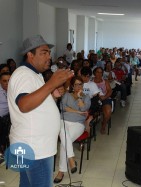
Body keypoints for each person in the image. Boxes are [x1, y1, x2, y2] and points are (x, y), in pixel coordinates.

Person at [7, 35, 74, 187]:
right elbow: (24, 104)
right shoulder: (24, 74)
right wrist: (51, 84)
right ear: (30, 55)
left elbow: (34, 100)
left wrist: (52, 95)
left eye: (49, 53)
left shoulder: (34, 75)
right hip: (36, 149)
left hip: (32, 145)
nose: (49, 56)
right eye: (44, 53)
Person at [54, 76, 91, 183]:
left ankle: (62, 170)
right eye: (76, 84)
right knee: (65, 137)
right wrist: (78, 112)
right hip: (63, 121)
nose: (78, 86)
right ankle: (70, 160)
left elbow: (84, 108)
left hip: (78, 123)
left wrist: (79, 98)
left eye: (80, 84)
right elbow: (63, 108)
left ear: (83, 85)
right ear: (72, 86)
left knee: (64, 142)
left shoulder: (86, 97)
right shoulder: (67, 95)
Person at [93, 67, 113, 134]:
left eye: (101, 72)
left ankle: (103, 125)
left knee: (108, 111)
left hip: (105, 98)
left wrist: (104, 97)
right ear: (94, 73)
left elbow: (110, 91)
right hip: (94, 99)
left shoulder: (105, 81)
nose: (99, 74)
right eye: (97, 72)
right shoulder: (90, 81)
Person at [0, 72, 11, 164]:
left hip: (7, 117)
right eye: (4, 81)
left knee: (5, 137)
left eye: (9, 80)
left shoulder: (14, 89)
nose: (7, 83)